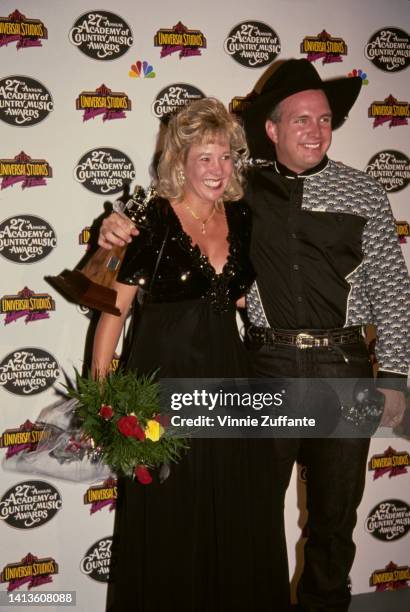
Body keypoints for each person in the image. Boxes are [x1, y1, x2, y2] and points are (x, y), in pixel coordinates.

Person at [99, 61, 410, 611]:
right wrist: (112, 232)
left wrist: (394, 376)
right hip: (265, 366)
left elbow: (392, 289)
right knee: (249, 514)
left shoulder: (364, 193)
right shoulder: (243, 195)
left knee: (335, 522)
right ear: (272, 128)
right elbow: (170, 220)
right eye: (301, 120)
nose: (315, 130)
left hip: (345, 368)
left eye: (324, 119)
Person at [93, 97, 280, 612]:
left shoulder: (241, 217)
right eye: (205, 157)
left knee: (235, 507)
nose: (217, 170)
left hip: (230, 381)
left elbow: (245, 297)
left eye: (225, 157)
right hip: (162, 387)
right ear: (180, 160)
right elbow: (113, 311)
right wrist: (103, 394)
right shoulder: (147, 218)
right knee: (169, 509)